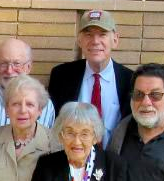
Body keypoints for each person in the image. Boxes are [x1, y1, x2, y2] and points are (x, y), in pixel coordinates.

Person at [47, 9, 134, 147]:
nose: (95, 41)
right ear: (79, 40)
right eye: (88, 34)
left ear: (115, 39)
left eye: (102, 34)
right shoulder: (61, 76)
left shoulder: (130, 80)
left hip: (113, 164)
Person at [0, 38, 55, 136]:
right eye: (3, 64)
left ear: (28, 67)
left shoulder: (45, 104)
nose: (9, 70)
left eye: (16, 64)